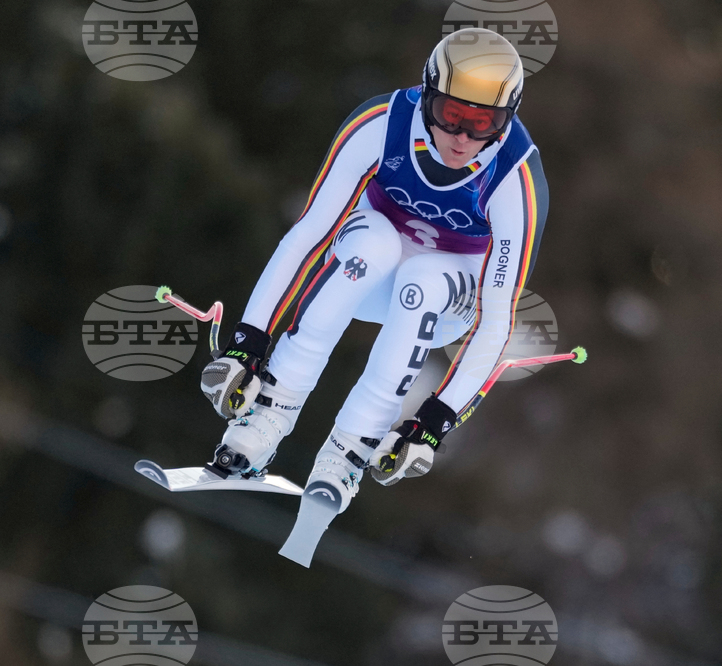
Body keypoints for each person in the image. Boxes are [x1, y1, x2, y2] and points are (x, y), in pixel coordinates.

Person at [198, 28, 549, 564]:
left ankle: (349, 452)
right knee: (378, 245)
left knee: (424, 280)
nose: (460, 136)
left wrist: (433, 424)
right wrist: (248, 344)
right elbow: (309, 234)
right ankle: (266, 413)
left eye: (483, 124)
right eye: (451, 113)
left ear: (508, 118)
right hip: (366, 264)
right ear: (427, 92)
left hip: (444, 297)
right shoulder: (381, 123)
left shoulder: (515, 177)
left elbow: (495, 320)